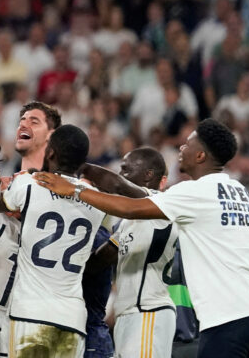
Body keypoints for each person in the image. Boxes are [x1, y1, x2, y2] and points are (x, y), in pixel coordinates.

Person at [34, 119, 249, 358]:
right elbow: (125, 189)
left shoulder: (193, 193)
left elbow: (129, 207)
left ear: (201, 156)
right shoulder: (241, 193)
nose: (181, 148)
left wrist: (76, 189)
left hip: (227, 318)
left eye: (188, 144)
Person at [0, 124, 109, 358]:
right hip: (73, 318)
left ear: (51, 152)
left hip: (30, 313)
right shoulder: (95, 200)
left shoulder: (29, 186)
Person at [82, 147, 178, 358]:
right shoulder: (130, 220)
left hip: (149, 311)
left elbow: (115, 184)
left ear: (148, 175)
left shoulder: (161, 205)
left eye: (126, 170)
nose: (120, 175)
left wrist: (77, 167)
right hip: (128, 314)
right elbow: (100, 260)